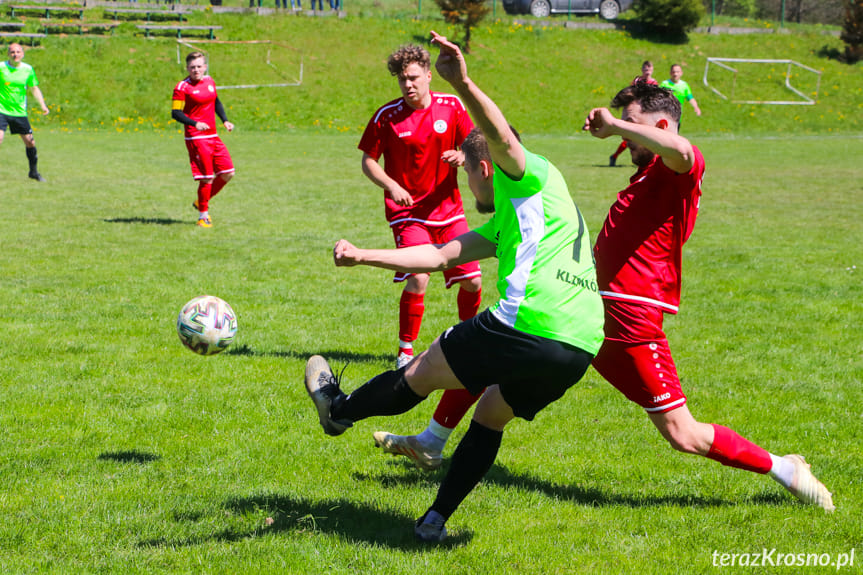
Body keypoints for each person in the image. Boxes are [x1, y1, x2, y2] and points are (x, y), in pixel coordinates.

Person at [371, 82, 836, 513]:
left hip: (631, 320)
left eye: (632, 123)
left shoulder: (677, 168)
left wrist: (614, 125)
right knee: (494, 356)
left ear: (657, 126)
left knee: (682, 433)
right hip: (590, 312)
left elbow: (681, 148)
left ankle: (784, 468)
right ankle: (433, 439)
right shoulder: (647, 175)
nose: (625, 135)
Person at [304, 30, 605, 542]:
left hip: (529, 323)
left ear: (484, 167)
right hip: (582, 343)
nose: (471, 187)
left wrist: (463, 82)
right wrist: (363, 256)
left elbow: (503, 137)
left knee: (416, 377)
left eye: (470, 176)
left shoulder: (523, 175)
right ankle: (432, 523)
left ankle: (338, 411)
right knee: (490, 414)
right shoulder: (521, 213)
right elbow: (440, 254)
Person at [358, 43, 482, 369]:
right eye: (402, 80)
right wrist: (391, 185)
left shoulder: (451, 106)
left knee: (473, 281)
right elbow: (368, 160)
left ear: (429, 75)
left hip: (448, 210)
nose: (408, 85)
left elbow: (474, 144)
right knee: (420, 277)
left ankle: (469, 344)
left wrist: (463, 155)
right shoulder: (388, 116)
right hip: (408, 213)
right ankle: (405, 351)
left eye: (414, 78)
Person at [171, 51, 235, 228]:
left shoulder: (210, 81)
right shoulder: (182, 87)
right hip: (196, 137)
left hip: (213, 136)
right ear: (187, 68)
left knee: (228, 172)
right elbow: (175, 113)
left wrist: (225, 120)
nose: (196, 70)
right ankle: (203, 216)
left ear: (205, 67)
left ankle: (201, 201)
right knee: (207, 178)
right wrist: (194, 123)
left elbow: (216, 102)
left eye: (199, 66)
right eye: (192, 67)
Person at [0, 43, 50, 182]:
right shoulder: (1, 67)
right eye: (12, 52)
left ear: (22, 54)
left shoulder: (28, 70)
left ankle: (33, 172)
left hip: (19, 112)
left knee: (30, 142)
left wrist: (43, 105)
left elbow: (34, 88)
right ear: (8, 54)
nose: (15, 54)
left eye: (18, 52)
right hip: (1, 110)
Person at [609, 60, 657, 167]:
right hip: (636, 115)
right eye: (645, 69)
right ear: (642, 70)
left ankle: (649, 160)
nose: (647, 71)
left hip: (647, 116)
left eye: (649, 69)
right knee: (630, 138)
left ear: (652, 69)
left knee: (641, 139)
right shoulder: (637, 82)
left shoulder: (655, 83)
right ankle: (615, 156)